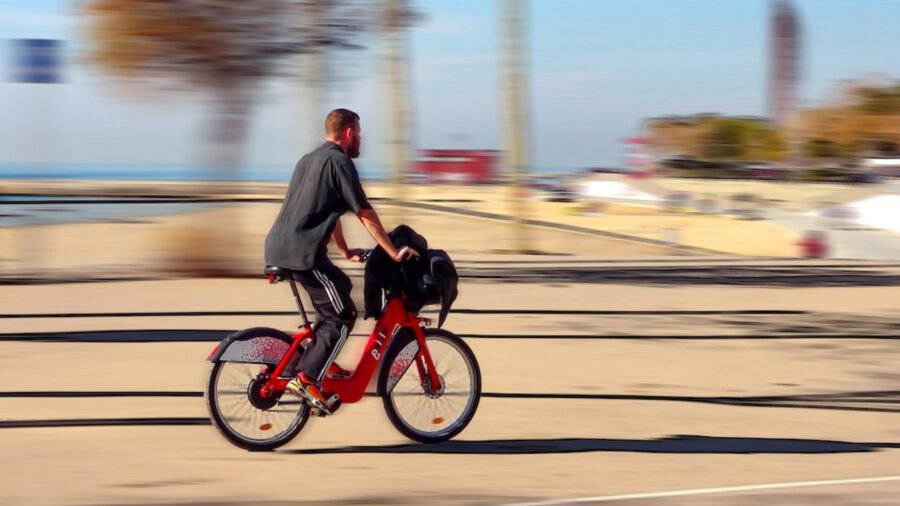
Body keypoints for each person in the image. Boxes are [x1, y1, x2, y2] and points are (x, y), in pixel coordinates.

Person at [264, 108, 418, 413]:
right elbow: (363, 212)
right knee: (343, 315)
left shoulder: (308, 160)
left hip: (279, 247)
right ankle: (307, 378)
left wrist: (346, 251)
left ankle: (321, 359)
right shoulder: (340, 161)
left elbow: (328, 210)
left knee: (340, 286)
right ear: (348, 133)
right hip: (303, 254)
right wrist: (391, 251)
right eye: (358, 133)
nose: (360, 138)